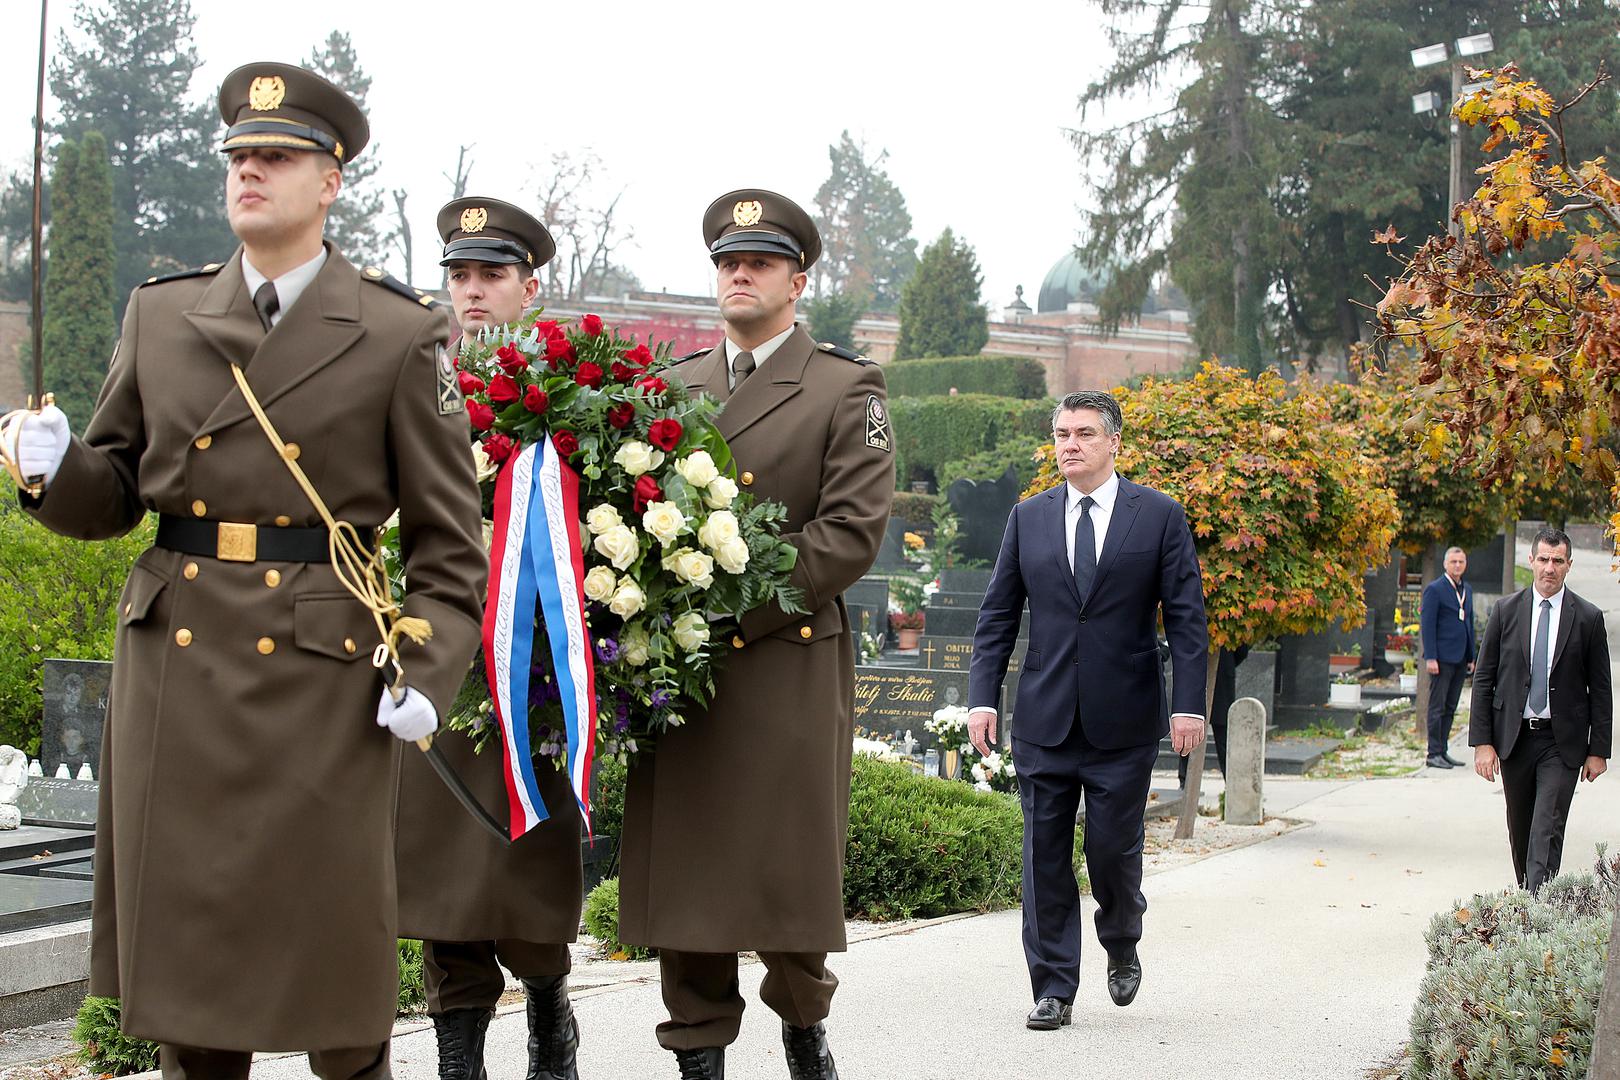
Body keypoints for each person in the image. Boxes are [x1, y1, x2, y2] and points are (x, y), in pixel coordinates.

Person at [11, 62, 487, 1079]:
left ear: (331, 181)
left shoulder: (399, 332)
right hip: (180, 676)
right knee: (194, 998)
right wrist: (53, 471)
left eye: (276, 156)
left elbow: (450, 546)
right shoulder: (162, 313)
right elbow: (117, 493)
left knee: (337, 985)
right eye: (238, 156)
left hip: (324, 678)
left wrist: (428, 668)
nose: (250, 173)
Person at [616, 189, 895, 1080]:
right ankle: (696, 1051)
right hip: (681, 667)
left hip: (783, 663)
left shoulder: (846, 386)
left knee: (787, 873)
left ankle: (805, 1029)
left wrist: (726, 601)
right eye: (728, 262)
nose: (740, 274)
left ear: (796, 281)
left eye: (760, 263)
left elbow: (849, 533)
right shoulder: (672, 386)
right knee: (688, 881)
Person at [393, 197, 583, 1080]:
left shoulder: (576, 389)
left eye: (492, 275)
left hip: (534, 669)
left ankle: (548, 1009)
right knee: (440, 874)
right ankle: (457, 1058)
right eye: (459, 275)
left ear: (529, 287)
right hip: (433, 657)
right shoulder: (409, 373)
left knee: (528, 867)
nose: (471, 290)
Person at [967, 389, 1208, 1031]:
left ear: (1114, 443)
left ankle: (1122, 936)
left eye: (1084, 434)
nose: (1069, 445)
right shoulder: (1029, 517)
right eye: (1062, 434)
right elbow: (997, 614)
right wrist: (982, 698)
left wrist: (1189, 706)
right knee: (1044, 856)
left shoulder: (1158, 516)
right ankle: (1053, 987)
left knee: (1110, 852)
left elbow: (1187, 619)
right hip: (1043, 719)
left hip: (1123, 721)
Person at [1469, 526, 1611, 893]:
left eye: (1558, 561)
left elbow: (1600, 688)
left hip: (1561, 743)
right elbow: (1484, 679)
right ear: (1531, 561)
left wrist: (1598, 749)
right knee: (1521, 829)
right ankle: (1528, 895)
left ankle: (1538, 904)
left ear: (1569, 565)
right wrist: (1482, 742)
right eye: (1544, 559)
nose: (1550, 568)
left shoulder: (1588, 618)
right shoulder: (1505, 611)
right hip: (1514, 739)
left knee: (1547, 826)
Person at [1420, 546, 1476, 769]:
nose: (1457, 565)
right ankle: (1433, 752)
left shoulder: (1466, 589)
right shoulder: (1435, 589)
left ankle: (1443, 750)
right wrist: (1430, 657)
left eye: (1461, 562)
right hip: (1441, 659)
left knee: (1450, 706)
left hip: (1460, 658)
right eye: (1453, 561)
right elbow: (1428, 625)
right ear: (1445, 564)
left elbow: (1469, 623)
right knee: (1437, 706)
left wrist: (1471, 656)